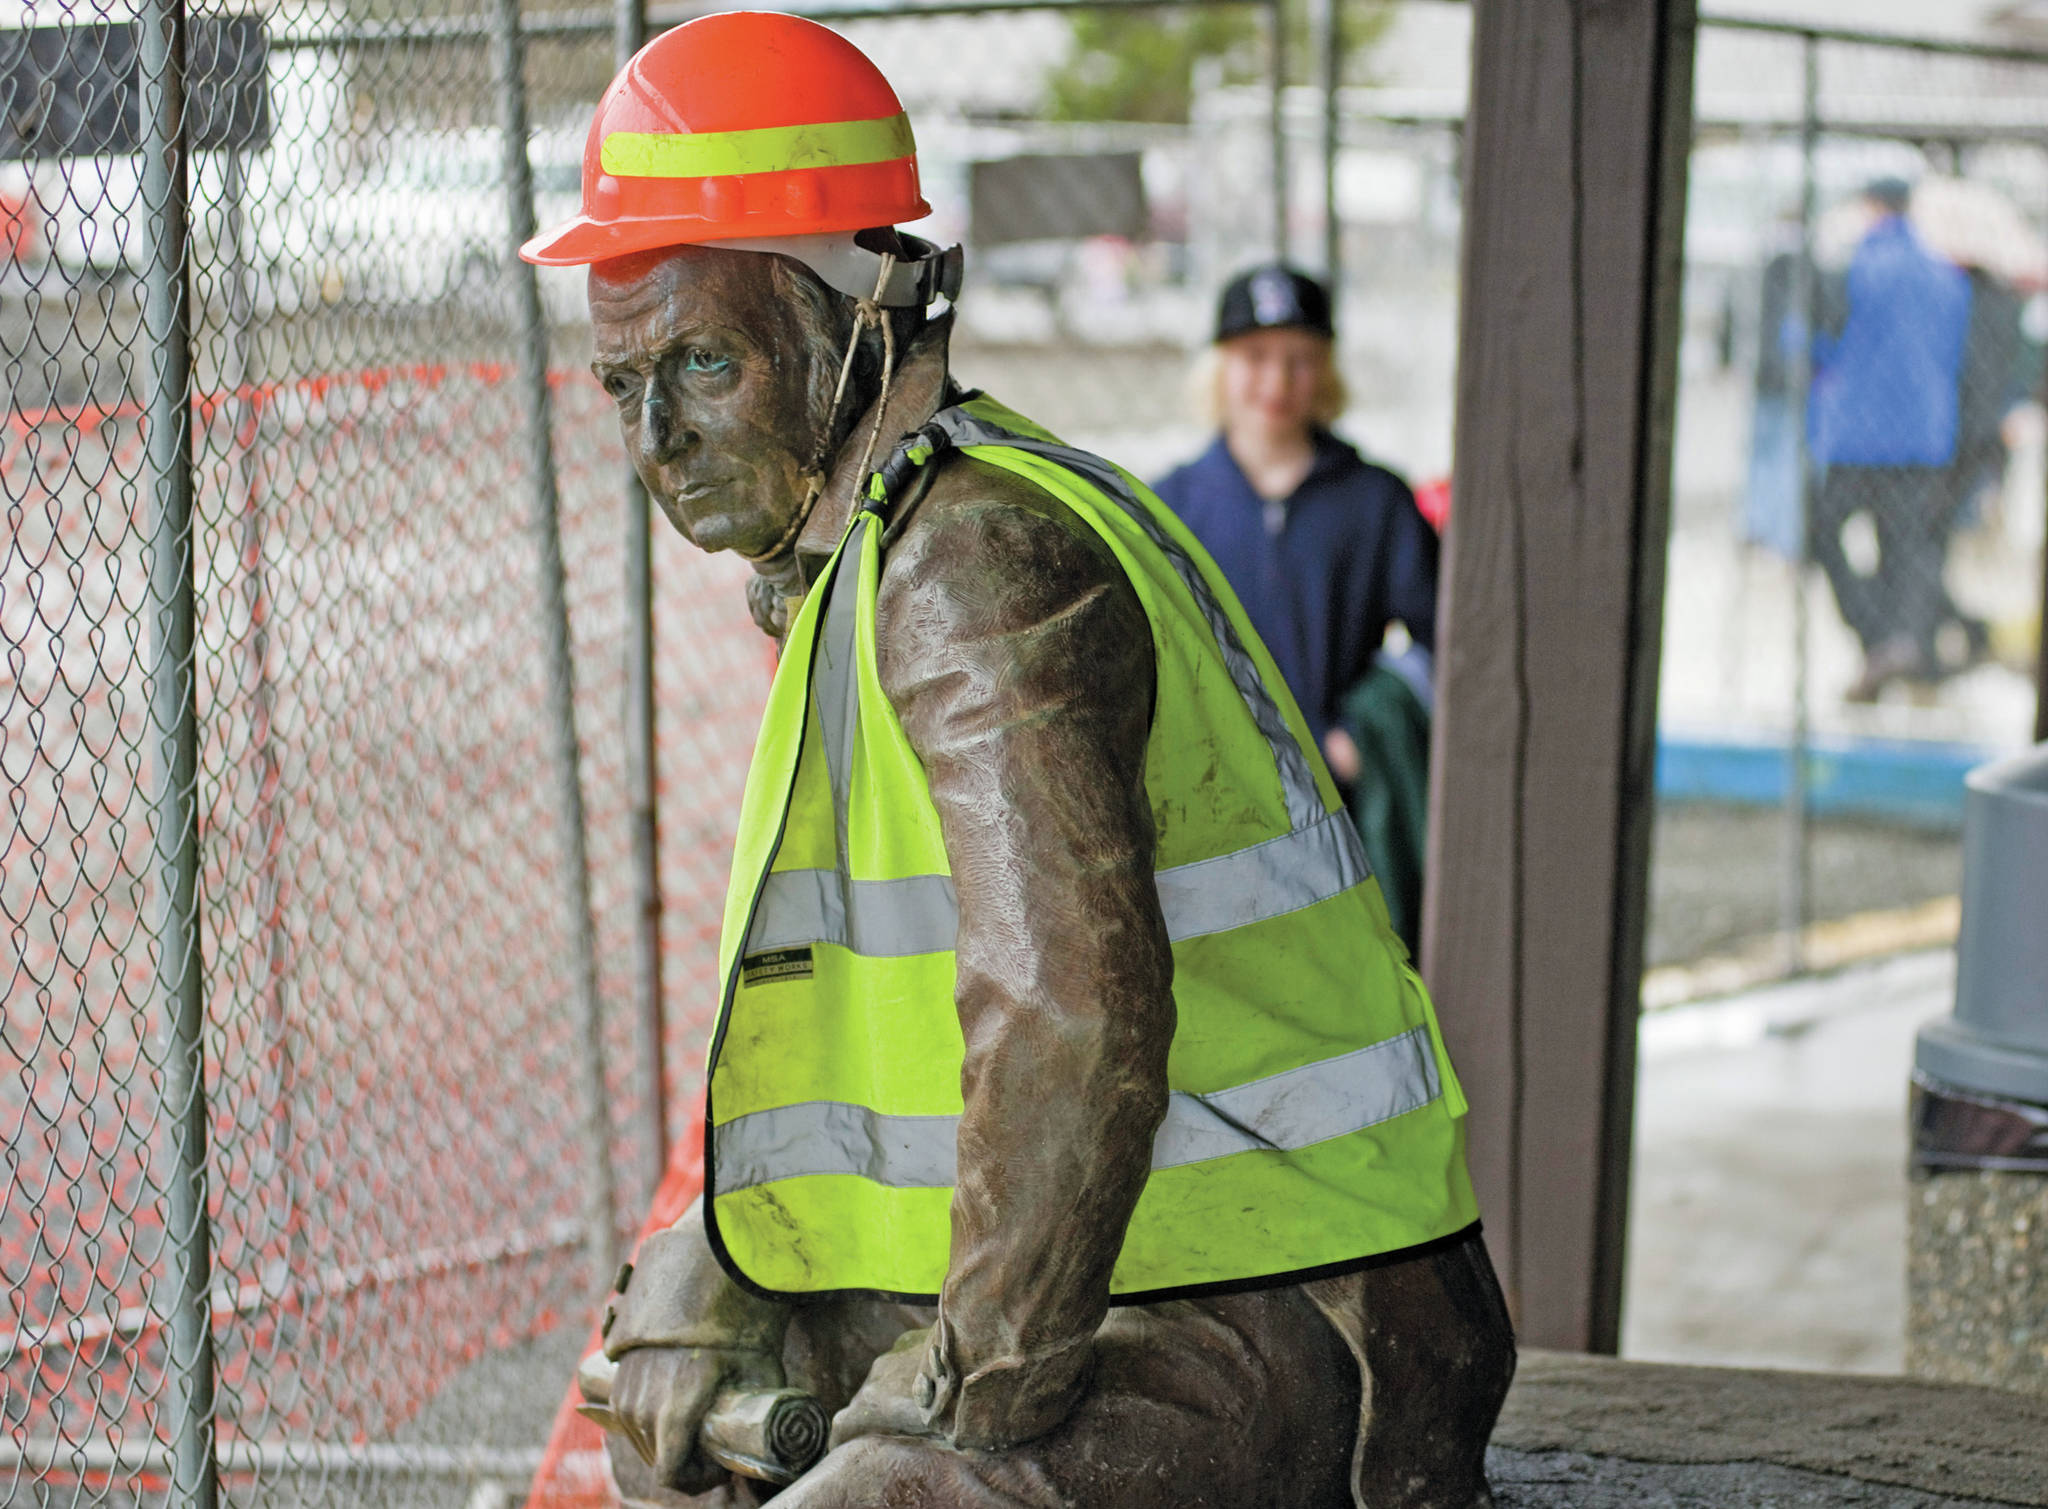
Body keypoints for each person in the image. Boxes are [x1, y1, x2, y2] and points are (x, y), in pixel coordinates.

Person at [521, 15, 1512, 1508]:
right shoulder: (867, 554)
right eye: (621, 385)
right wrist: (714, 1260)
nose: (657, 436)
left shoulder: (969, 570)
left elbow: (1071, 1016)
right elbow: (904, 1048)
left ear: (859, 318)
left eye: (705, 363)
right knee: (672, 1407)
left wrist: (960, 1386)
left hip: (1303, 1304)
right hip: (1158, 1256)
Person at [1151, 265, 1439, 949]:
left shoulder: (1377, 502)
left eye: (1300, 360)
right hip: (1210, 820)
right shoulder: (1170, 506)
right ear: (1219, 368)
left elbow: (1446, 644)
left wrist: (1362, 734)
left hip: (1340, 818)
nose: (1277, 383)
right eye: (1255, 358)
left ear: (1328, 372)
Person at [1807, 177, 1973, 700]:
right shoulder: (1947, 278)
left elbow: (1821, 340)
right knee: (1903, 543)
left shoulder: (1858, 268)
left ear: (1872, 209)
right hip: (1924, 435)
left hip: (1859, 434)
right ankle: (1898, 643)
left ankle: (1876, 636)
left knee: (1823, 530)